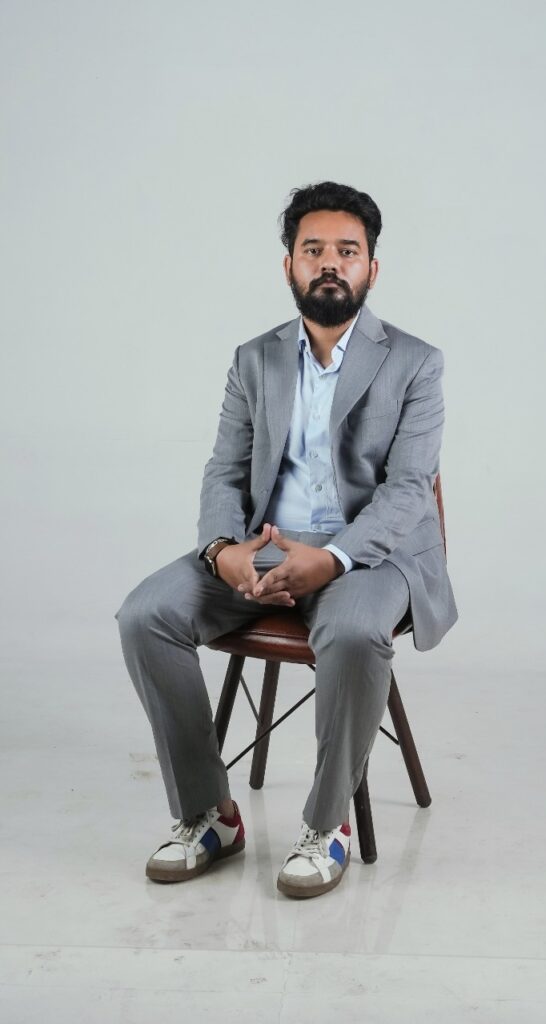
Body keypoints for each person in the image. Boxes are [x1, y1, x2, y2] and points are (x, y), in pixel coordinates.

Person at [115, 181, 458, 900]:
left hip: (370, 554)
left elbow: (407, 490)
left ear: (371, 267)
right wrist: (223, 551)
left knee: (356, 633)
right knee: (146, 614)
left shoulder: (416, 362)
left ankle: (328, 823)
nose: (330, 263)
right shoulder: (255, 359)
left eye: (347, 251)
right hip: (263, 547)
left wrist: (330, 559)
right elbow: (224, 468)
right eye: (313, 250)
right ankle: (210, 814)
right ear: (289, 265)